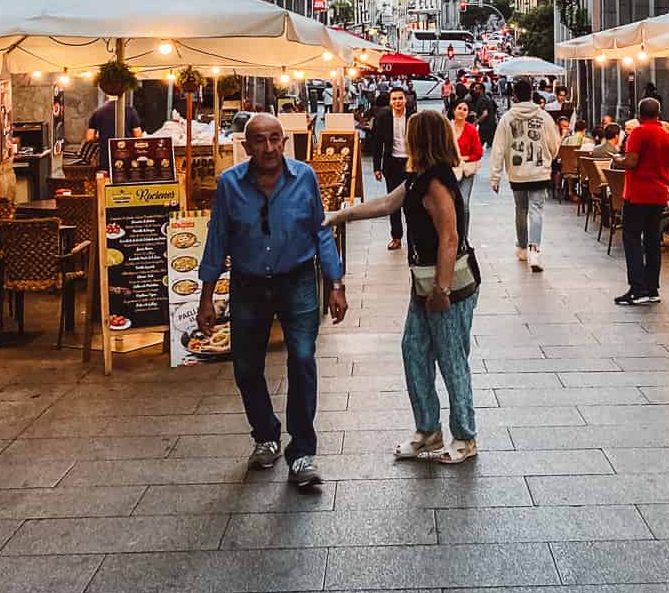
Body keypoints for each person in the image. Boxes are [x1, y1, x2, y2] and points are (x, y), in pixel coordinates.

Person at [197, 114, 347, 492]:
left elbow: (320, 231)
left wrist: (336, 283)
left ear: (285, 141)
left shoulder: (305, 178)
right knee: (246, 367)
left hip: (296, 280)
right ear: (247, 147)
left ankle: (301, 451)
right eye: (260, 141)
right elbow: (217, 240)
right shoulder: (230, 185)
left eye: (275, 139)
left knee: (301, 359)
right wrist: (206, 298)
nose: (269, 148)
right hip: (248, 284)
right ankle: (265, 434)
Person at [327, 111, 480, 465]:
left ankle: (465, 436)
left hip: (447, 285)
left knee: (451, 359)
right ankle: (428, 430)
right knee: (413, 350)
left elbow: (450, 237)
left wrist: (441, 291)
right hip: (424, 283)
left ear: (420, 139)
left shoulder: (438, 182)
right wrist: (339, 216)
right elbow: (385, 204)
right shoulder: (417, 178)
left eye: (411, 134)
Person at [490, 79, 560, 271]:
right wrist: (550, 158)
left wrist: (495, 176)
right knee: (537, 209)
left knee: (521, 210)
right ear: (532, 94)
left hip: (517, 172)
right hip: (539, 171)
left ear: (514, 96)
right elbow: (554, 142)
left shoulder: (507, 118)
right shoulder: (544, 116)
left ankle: (521, 247)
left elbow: (498, 148)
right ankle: (535, 250)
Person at [615, 97, 669, 307]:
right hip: (659, 194)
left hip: (638, 193)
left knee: (632, 238)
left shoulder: (639, 132)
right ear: (658, 113)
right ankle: (652, 288)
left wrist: (619, 160)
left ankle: (638, 288)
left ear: (640, 114)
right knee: (652, 240)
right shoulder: (668, 136)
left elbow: (632, 161)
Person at [370, 86, 412, 251]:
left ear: (405, 100)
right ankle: (396, 237)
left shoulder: (413, 116)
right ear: (390, 101)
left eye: (400, 98)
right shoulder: (383, 117)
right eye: (394, 99)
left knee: (411, 202)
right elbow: (377, 143)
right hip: (392, 163)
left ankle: (413, 236)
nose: (397, 102)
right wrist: (376, 167)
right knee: (394, 202)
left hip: (411, 164)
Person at [449, 97, 483, 217]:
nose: (462, 111)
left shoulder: (471, 130)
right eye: (459, 108)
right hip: (450, 170)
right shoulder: (447, 129)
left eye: (465, 109)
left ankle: (464, 235)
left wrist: (464, 158)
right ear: (453, 110)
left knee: (464, 203)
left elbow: (478, 152)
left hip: (467, 170)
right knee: (450, 203)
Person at [471, 82, 499, 148]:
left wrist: (476, 122)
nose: (474, 90)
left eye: (476, 88)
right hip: (490, 125)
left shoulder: (482, 99)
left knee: (477, 146)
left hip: (485, 127)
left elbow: (485, 113)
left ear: (481, 90)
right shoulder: (486, 98)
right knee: (492, 145)